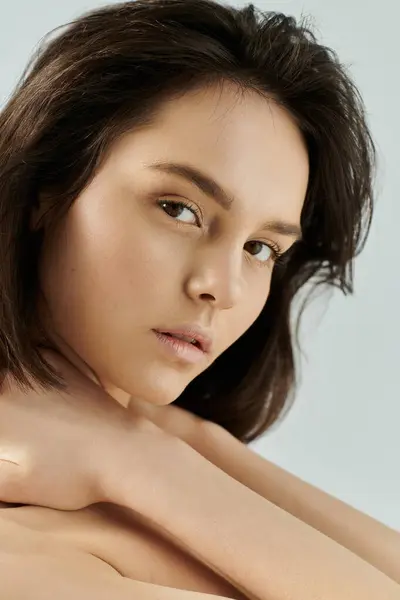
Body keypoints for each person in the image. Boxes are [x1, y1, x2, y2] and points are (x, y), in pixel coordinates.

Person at [0, 0, 399, 599]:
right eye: (180, 210)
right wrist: (138, 460)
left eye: (262, 248)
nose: (224, 286)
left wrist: (170, 442)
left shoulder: (161, 458)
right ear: (47, 188)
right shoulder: (20, 549)